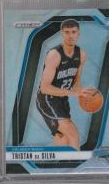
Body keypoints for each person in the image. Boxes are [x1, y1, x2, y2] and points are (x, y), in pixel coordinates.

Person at [36, 18, 93, 150]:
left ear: (78, 33)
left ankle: (57, 162)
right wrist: (73, 93)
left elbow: (76, 82)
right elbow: (44, 88)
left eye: (73, 32)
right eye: (67, 32)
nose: (70, 35)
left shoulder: (81, 54)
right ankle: (77, 163)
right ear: (62, 33)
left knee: (63, 139)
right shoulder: (54, 55)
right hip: (47, 99)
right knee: (72, 132)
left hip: (62, 100)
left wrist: (83, 95)